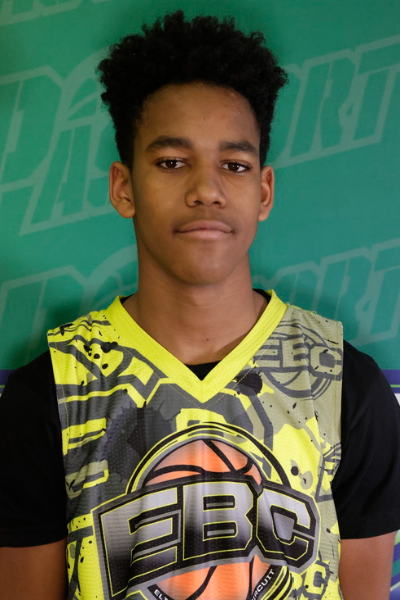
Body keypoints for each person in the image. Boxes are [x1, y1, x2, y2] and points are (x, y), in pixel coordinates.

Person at [0, 11, 400, 600]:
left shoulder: (346, 386)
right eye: (171, 162)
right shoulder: (51, 395)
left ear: (263, 191)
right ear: (124, 187)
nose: (206, 189)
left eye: (234, 165)